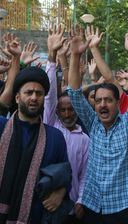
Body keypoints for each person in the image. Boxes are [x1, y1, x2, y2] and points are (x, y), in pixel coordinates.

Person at [0, 56, 69, 223]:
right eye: (28, 92)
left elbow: (65, 174)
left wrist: (62, 191)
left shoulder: (55, 136)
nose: (33, 98)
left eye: (39, 93)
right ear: (17, 98)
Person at [66, 21, 128, 223]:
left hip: (124, 209)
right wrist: (75, 55)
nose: (103, 104)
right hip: (93, 207)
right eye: (98, 100)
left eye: (108, 100)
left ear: (118, 104)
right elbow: (74, 93)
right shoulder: (92, 123)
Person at [43, 26, 90, 223]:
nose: (66, 113)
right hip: (45, 204)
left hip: (73, 209)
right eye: (62, 110)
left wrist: (81, 201)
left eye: (71, 109)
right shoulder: (51, 126)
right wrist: (52, 57)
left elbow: (86, 174)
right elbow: (49, 95)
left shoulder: (86, 139)